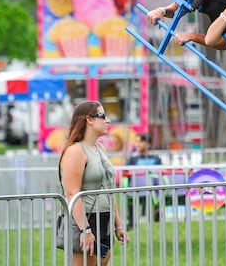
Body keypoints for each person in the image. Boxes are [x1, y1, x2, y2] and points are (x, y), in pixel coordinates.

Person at [59, 101, 128, 265]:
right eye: (103, 116)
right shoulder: (75, 151)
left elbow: (108, 188)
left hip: (104, 218)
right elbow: (72, 194)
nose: (108, 120)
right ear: (89, 119)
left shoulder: (100, 148)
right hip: (84, 220)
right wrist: (85, 229)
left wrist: (118, 224)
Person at [125, 134, 162, 230]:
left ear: (148, 144)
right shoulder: (133, 159)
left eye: (140, 142)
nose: (137, 144)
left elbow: (160, 172)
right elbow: (127, 172)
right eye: (136, 142)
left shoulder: (156, 159)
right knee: (131, 196)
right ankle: (131, 221)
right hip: (137, 186)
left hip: (154, 187)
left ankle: (157, 210)